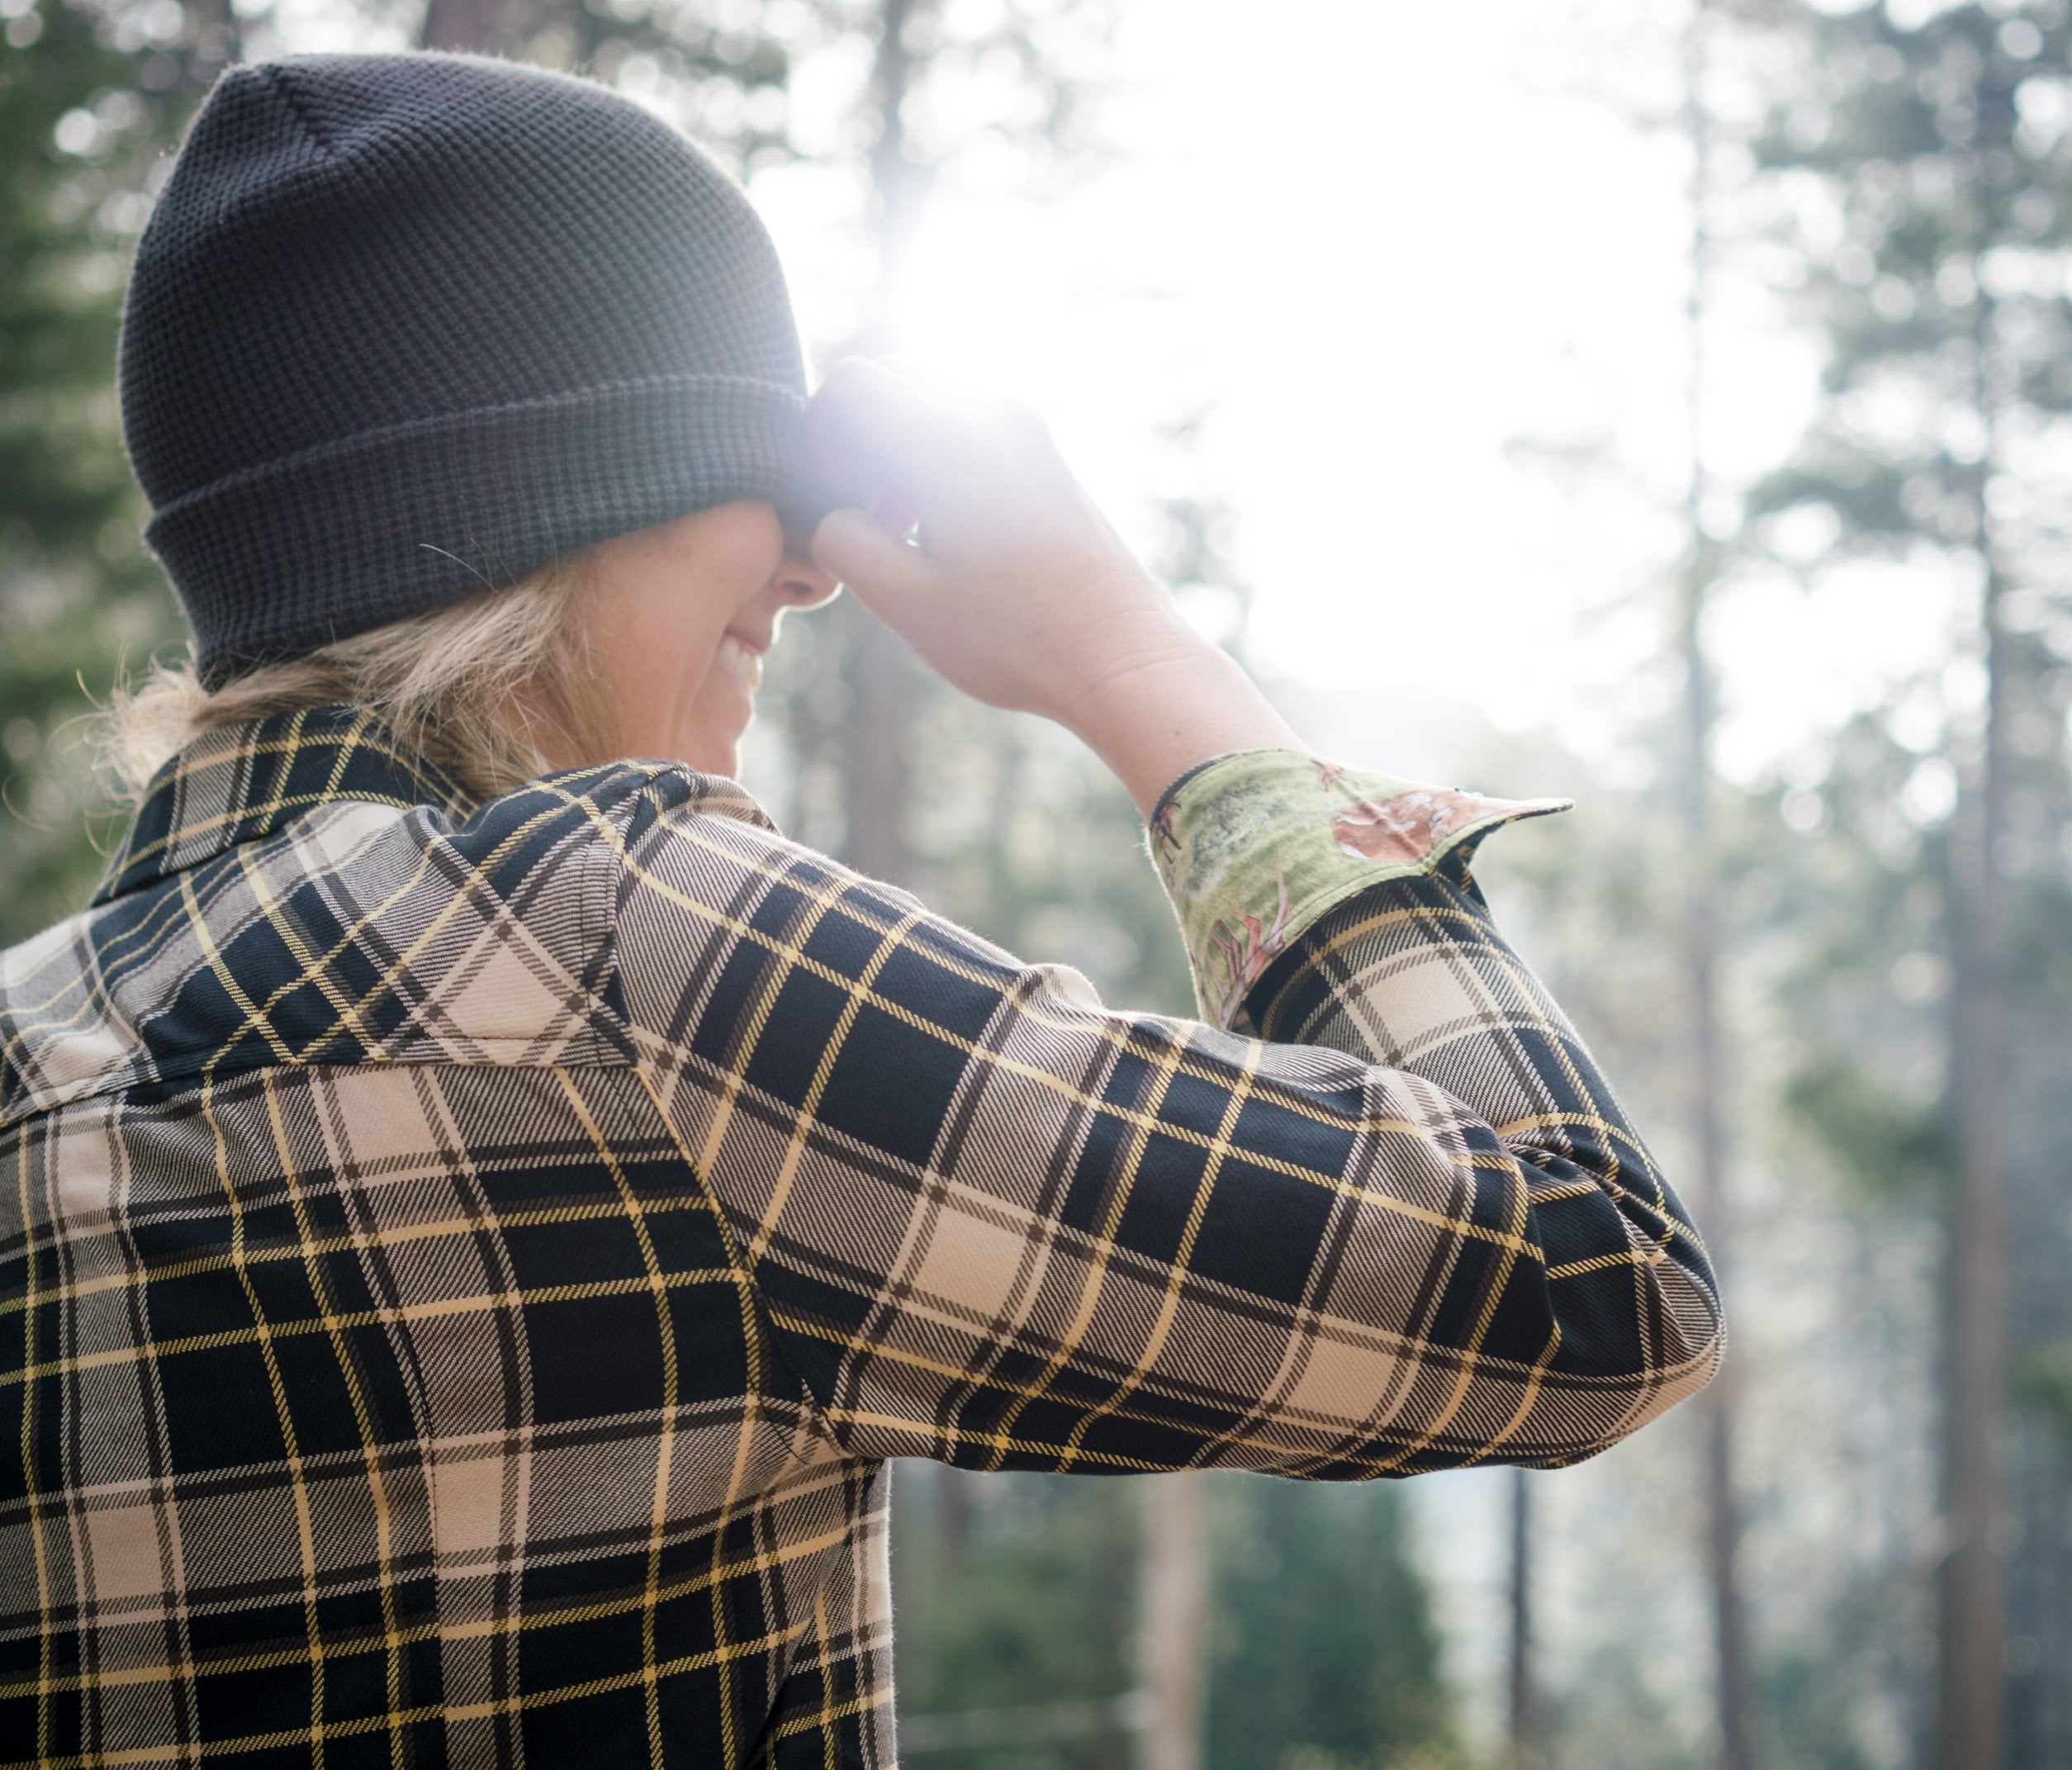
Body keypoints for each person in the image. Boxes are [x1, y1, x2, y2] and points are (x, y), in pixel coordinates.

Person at [0, 50, 1722, 1770]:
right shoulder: (630, 955)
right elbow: (1592, 1279)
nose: (811, 568)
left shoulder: (28, 1059)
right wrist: (1144, 670)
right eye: (749, 466)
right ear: (560, 489)